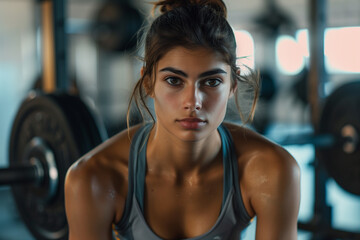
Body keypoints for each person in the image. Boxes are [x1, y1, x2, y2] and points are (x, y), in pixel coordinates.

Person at [64, 0, 300, 239]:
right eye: (174, 81)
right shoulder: (94, 178)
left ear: (233, 85)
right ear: (148, 81)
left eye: (212, 82)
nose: (193, 102)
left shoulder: (270, 170)